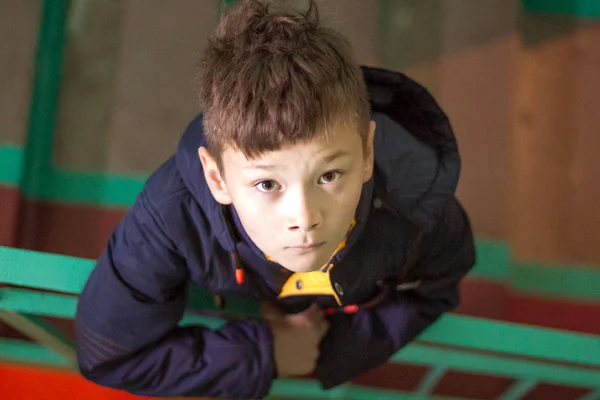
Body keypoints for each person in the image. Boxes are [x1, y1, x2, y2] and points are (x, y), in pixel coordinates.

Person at [74, 0, 476, 398]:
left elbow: (439, 286)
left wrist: (331, 351)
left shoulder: (415, 202)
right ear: (217, 178)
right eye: (268, 184)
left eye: (329, 175)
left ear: (368, 154)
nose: (304, 218)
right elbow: (108, 355)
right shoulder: (171, 217)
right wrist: (266, 355)